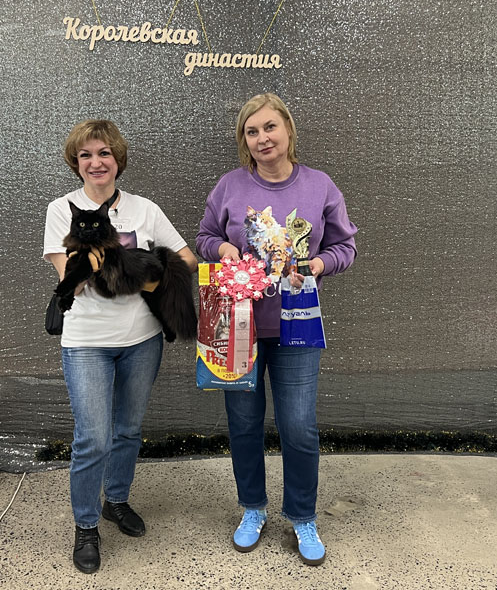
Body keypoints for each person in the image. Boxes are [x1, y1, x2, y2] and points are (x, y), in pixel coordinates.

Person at [196, 93, 357, 566]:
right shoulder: (229, 186)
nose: (262, 138)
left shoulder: (320, 185)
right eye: (252, 131)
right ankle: (253, 508)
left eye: (270, 127)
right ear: (244, 140)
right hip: (239, 326)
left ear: (287, 129)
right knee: (244, 425)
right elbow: (205, 236)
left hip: (297, 327)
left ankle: (302, 515)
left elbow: (346, 247)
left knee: (299, 427)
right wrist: (223, 251)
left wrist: (319, 264)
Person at [43, 120, 197, 574]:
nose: (96, 162)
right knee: (92, 437)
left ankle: (116, 500)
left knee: (128, 430)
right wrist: (124, 272)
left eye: (104, 153)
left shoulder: (144, 209)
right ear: (76, 163)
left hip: (141, 340)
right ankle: (86, 525)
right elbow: (72, 278)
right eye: (86, 155)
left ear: (118, 159)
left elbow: (186, 258)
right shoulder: (61, 209)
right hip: (87, 342)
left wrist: (148, 274)